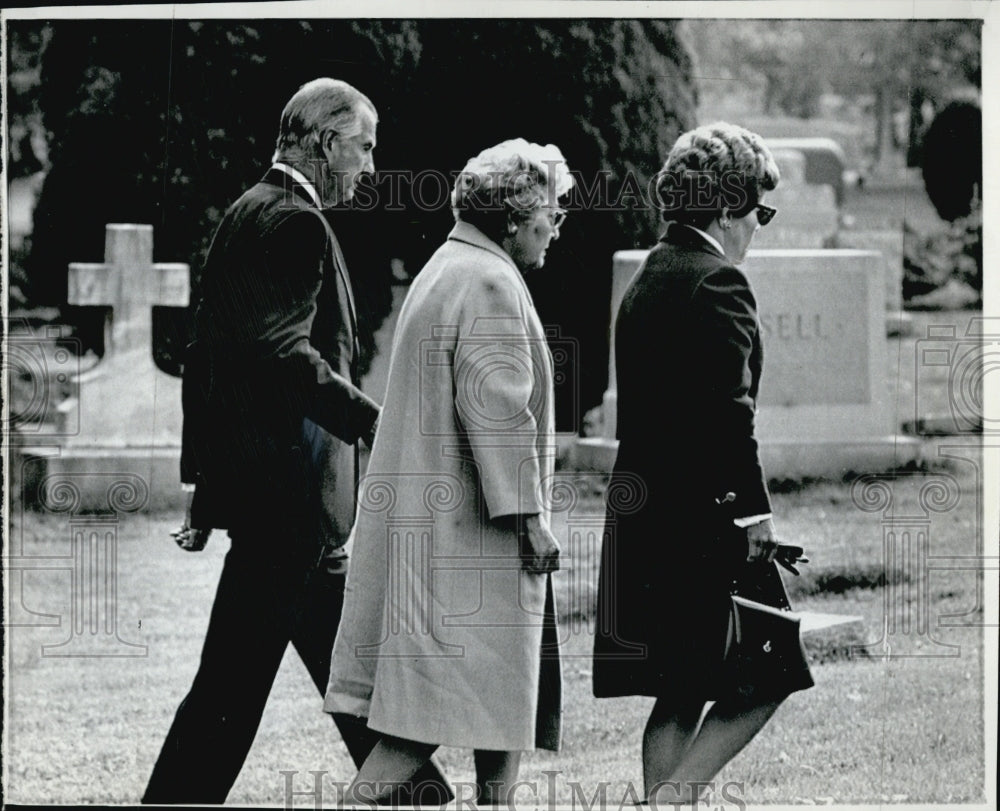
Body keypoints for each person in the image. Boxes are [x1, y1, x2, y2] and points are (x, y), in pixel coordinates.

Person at [143, 78, 449, 805]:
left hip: (278, 499)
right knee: (231, 693)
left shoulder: (249, 210)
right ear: (326, 142)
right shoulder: (296, 224)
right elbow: (284, 355)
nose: (370, 166)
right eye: (364, 148)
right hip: (291, 502)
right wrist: (373, 421)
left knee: (345, 677)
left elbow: (210, 357)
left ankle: (419, 797)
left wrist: (205, 487)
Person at [324, 139, 572, 806]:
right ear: (515, 217)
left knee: (496, 698)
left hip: (442, 524)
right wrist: (530, 519)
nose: (557, 228)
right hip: (474, 534)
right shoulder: (490, 281)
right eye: (552, 213)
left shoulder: (448, 265)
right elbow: (499, 409)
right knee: (428, 714)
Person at [592, 122, 814, 806]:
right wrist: (753, 516)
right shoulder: (720, 281)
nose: (757, 229)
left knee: (682, 686)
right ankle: (669, 801)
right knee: (771, 670)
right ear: (725, 208)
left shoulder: (652, 273)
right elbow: (728, 414)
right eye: (758, 213)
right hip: (703, 516)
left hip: (643, 507)